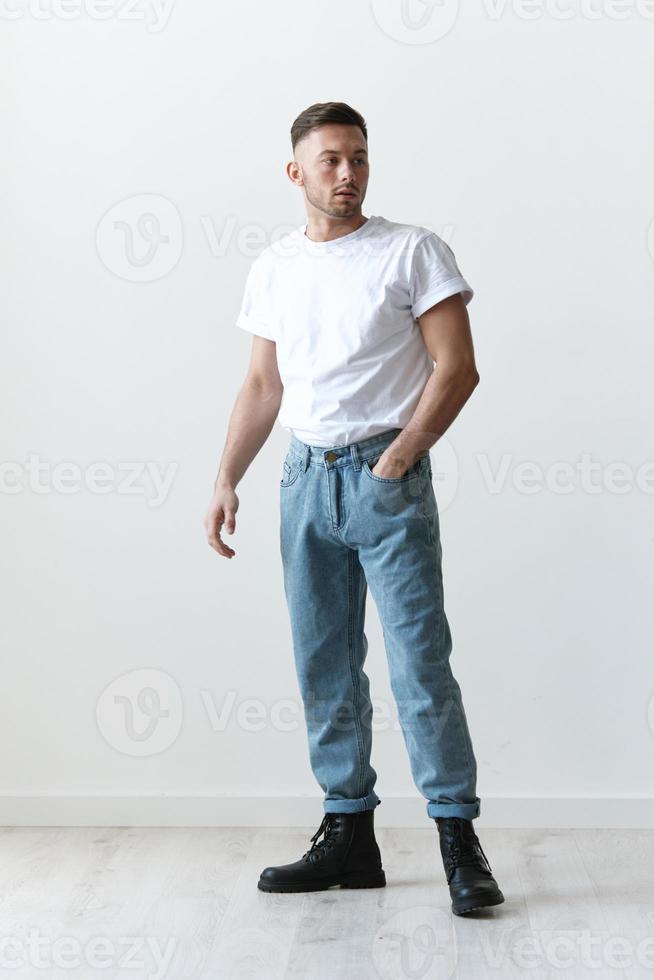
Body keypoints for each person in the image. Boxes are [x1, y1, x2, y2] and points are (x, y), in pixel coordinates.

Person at [204, 101, 504, 915]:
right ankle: (349, 836)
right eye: (332, 159)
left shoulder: (410, 251)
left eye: (360, 158)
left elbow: (457, 367)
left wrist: (397, 460)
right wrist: (229, 475)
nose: (349, 173)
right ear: (296, 172)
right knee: (323, 666)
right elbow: (264, 384)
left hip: (383, 477)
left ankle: (457, 838)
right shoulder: (273, 267)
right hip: (303, 480)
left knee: (418, 664)